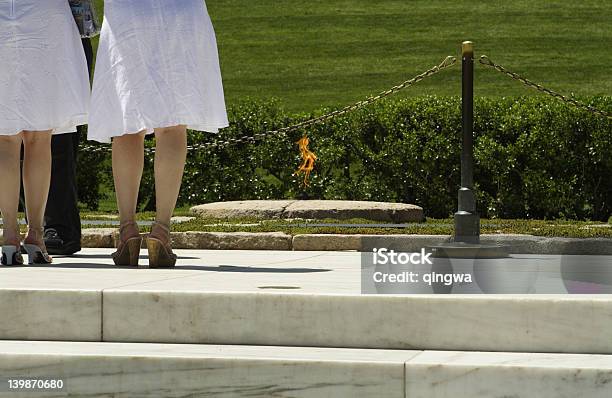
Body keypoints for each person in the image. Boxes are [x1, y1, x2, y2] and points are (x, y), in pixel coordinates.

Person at [88, 0, 228, 267]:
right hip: (180, 12)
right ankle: (161, 231)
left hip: (127, 14)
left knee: (127, 121)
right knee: (172, 124)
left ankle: (127, 230)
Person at [0, 0, 90, 266]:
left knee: (6, 140)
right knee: (39, 138)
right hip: (44, 14)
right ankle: (36, 234)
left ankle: (9, 234)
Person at [44, 38, 94, 256]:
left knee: (59, 133)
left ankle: (57, 227)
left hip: (63, 31)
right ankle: (29, 226)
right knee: (10, 136)